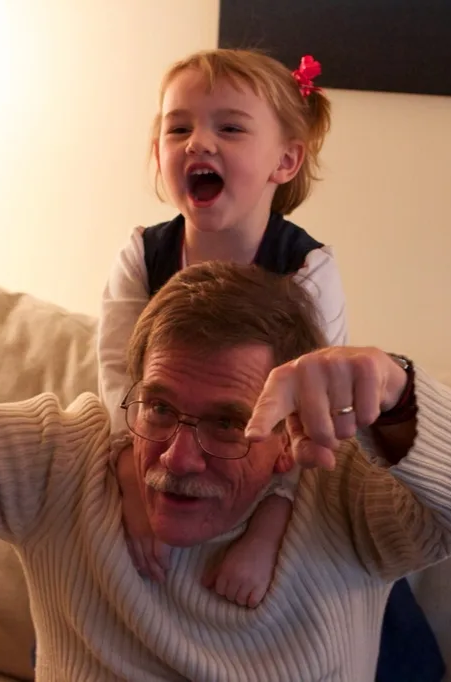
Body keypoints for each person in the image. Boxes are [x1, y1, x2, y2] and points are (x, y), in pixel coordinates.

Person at [0, 261, 451, 680]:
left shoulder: (345, 494)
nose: (177, 457)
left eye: (228, 424)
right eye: (161, 409)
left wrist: (395, 388)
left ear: (287, 434)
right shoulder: (65, 459)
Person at [99, 48, 347, 608]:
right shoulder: (142, 254)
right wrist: (130, 478)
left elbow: (312, 419)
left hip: (262, 480)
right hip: (163, 458)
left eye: (229, 128)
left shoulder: (309, 269)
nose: (199, 142)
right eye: (178, 127)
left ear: (284, 161)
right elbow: (116, 376)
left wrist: (268, 528)